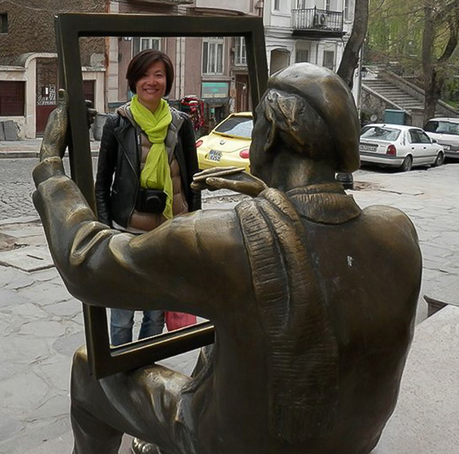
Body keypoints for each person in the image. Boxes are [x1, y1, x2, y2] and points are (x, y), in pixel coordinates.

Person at [33, 63, 421, 454]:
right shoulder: (398, 233)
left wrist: (50, 166)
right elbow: (319, 259)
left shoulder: (220, 240)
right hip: (353, 442)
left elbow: (85, 261)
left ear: (268, 139)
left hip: (230, 443)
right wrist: (271, 197)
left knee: (89, 370)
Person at [94, 49, 201, 347]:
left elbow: (193, 182)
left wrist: (194, 230)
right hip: (127, 233)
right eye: (144, 75)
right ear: (133, 81)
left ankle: (145, 369)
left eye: (158, 75)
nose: (151, 82)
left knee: (154, 316)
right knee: (122, 315)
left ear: (167, 81)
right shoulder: (118, 123)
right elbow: (102, 183)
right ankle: (121, 373)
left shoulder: (181, 123)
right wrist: (104, 232)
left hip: (169, 233)